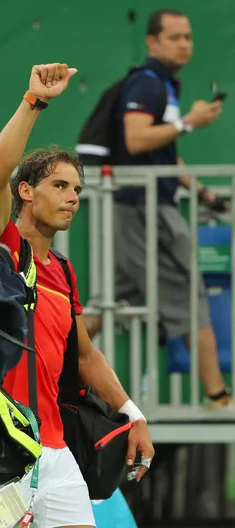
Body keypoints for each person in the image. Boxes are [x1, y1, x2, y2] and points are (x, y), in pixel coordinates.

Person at [0, 64, 155, 528]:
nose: (73, 197)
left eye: (77, 188)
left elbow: (83, 358)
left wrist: (133, 414)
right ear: (26, 191)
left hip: (53, 456)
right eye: (60, 185)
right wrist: (34, 100)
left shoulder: (63, 272)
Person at [110, 8, 229, 408]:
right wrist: (189, 124)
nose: (184, 44)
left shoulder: (162, 84)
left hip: (145, 208)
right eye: (175, 37)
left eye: (188, 37)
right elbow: (137, 138)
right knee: (185, 289)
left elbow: (161, 153)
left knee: (113, 300)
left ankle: (45, 366)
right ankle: (218, 396)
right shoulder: (147, 84)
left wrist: (200, 192)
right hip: (144, 210)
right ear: (152, 42)